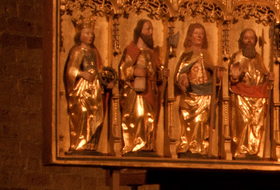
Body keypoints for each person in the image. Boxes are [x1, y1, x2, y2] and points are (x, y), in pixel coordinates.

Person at [114, 20, 162, 155]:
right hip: (136, 91)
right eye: (148, 29)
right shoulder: (132, 50)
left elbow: (157, 72)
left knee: (149, 118)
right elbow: (122, 68)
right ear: (139, 31)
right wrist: (133, 72)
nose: (151, 32)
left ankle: (148, 146)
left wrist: (161, 74)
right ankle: (136, 145)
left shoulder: (152, 53)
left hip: (150, 90)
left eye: (151, 29)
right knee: (139, 116)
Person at [222, 27, 272, 159]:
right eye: (246, 38)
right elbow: (230, 77)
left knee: (256, 124)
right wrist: (234, 77)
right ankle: (241, 151)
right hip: (242, 95)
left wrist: (269, 77)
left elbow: (264, 73)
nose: (249, 41)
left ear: (255, 41)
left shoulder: (259, 57)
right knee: (243, 123)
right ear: (241, 41)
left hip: (258, 96)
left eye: (252, 38)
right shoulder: (237, 56)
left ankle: (254, 152)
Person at [170, 23, 216, 156]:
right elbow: (180, 72)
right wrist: (183, 78)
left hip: (205, 94)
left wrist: (216, 74)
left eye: (201, 33)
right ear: (190, 36)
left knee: (202, 122)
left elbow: (211, 74)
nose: (199, 36)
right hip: (190, 94)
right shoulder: (187, 54)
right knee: (190, 124)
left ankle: (201, 148)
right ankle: (188, 146)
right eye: (196, 33)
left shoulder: (206, 54)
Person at [61, 24, 108, 152]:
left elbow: (100, 69)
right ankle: (79, 144)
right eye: (87, 33)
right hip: (82, 89)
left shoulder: (94, 52)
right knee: (82, 113)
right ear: (80, 36)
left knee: (96, 116)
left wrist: (105, 78)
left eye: (92, 33)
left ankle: (91, 145)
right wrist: (82, 73)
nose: (90, 36)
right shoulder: (77, 51)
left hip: (95, 89)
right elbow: (70, 70)